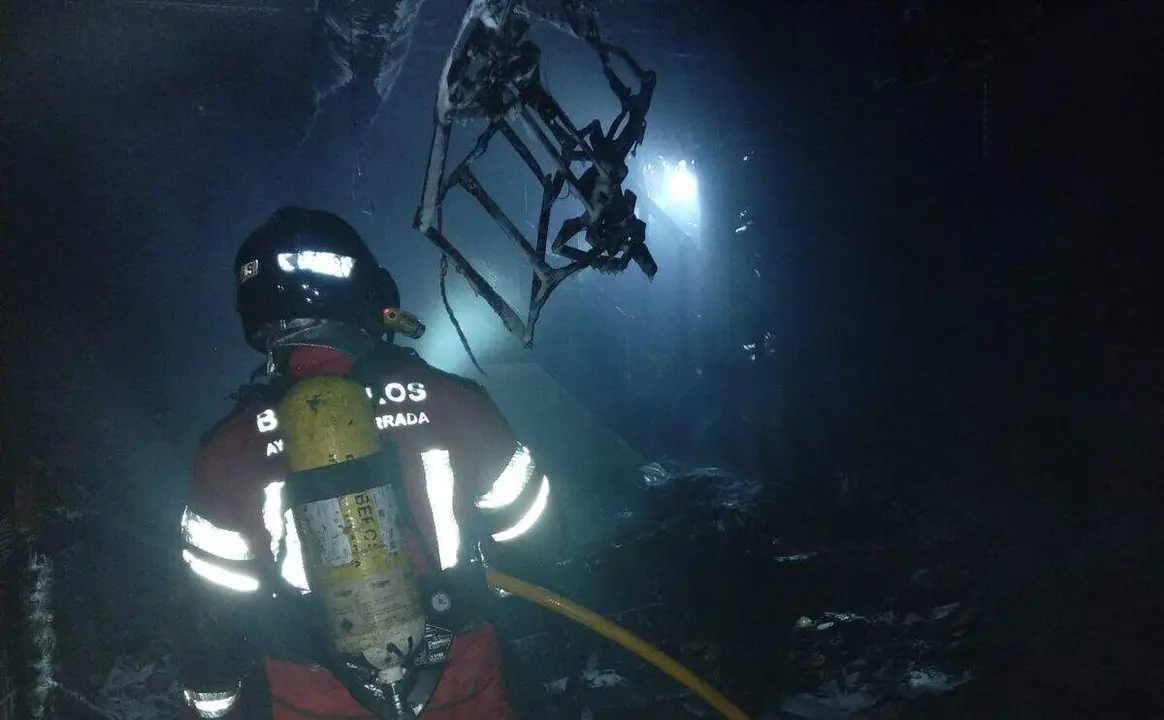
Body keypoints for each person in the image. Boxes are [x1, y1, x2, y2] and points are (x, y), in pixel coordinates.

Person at [176, 207, 564, 719]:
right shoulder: (451, 401)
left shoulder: (232, 448)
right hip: (465, 694)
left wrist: (212, 701)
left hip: (314, 702)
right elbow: (537, 540)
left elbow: (212, 615)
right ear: (367, 292)